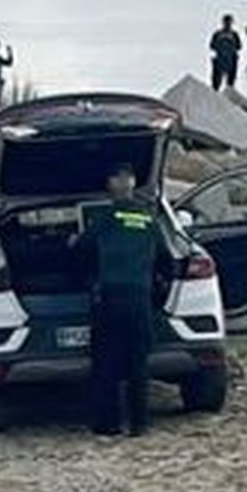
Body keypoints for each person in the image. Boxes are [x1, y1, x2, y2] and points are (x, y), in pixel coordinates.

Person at [69, 163, 165, 436]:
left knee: (107, 362)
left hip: (111, 298)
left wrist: (75, 252)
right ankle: (139, 424)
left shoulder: (106, 218)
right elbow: (166, 259)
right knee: (138, 363)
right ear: (133, 183)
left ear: (110, 185)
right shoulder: (149, 219)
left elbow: (81, 250)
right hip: (140, 298)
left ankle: (108, 424)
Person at [208, 13, 242, 91]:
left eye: (229, 22)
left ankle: (228, 94)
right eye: (226, 22)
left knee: (230, 82)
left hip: (231, 60)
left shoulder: (234, 34)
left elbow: (239, 46)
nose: (228, 24)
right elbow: (212, 46)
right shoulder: (217, 34)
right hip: (220, 60)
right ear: (223, 22)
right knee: (216, 83)